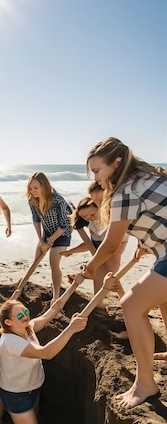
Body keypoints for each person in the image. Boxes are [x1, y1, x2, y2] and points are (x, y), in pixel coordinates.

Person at [74, 137, 167, 409]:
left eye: (96, 171)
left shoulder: (125, 191)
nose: (95, 177)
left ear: (116, 163)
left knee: (131, 304)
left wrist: (90, 269)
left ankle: (145, 384)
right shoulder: (145, 177)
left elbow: (111, 244)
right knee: (162, 298)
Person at [0, 298, 87, 424]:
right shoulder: (11, 342)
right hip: (18, 396)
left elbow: (48, 315)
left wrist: (75, 284)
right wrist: (70, 329)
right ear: (8, 322)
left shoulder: (26, 328)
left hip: (34, 387)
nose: (25, 316)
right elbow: (46, 353)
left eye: (26, 312)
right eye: (20, 315)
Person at [61, 182, 128, 308]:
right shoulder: (89, 223)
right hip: (98, 246)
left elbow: (113, 243)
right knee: (99, 272)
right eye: (85, 217)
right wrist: (71, 251)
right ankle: (99, 303)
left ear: (98, 207)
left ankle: (83, 275)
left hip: (116, 245)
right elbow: (89, 244)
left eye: (92, 214)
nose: (89, 218)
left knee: (111, 271)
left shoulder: (109, 217)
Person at [27, 172, 72, 302]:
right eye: (30, 188)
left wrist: (51, 240)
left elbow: (64, 224)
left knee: (54, 262)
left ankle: (56, 296)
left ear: (44, 186)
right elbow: (36, 220)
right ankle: (23, 283)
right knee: (36, 259)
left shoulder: (57, 200)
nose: (33, 191)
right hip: (47, 232)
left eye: (36, 188)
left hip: (62, 233)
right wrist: (41, 241)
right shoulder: (32, 200)